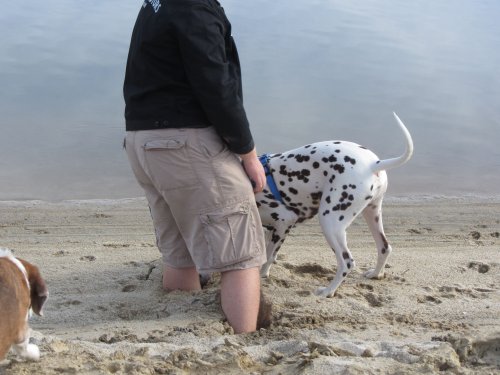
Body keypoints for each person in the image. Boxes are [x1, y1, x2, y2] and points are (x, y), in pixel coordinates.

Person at [123, 0, 267, 333]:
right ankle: (244, 342)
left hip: (142, 141)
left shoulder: (157, 4)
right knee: (240, 252)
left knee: (180, 251)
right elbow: (216, 87)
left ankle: (181, 323)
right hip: (183, 143)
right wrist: (248, 153)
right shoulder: (194, 7)